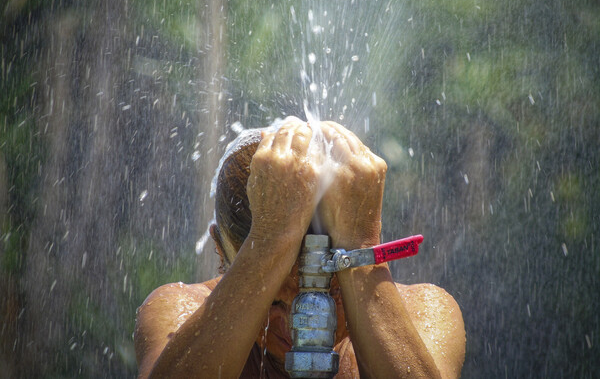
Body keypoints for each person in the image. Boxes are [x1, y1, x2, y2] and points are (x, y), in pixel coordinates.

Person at [134, 117, 466, 378]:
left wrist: (360, 243)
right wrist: (268, 242)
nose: (298, 323)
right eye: (273, 297)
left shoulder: (425, 312)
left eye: (328, 292)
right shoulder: (179, 309)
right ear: (222, 254)